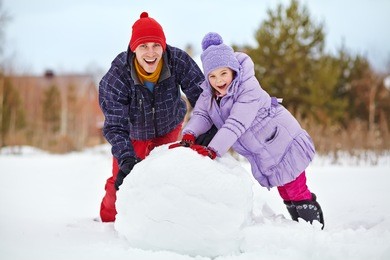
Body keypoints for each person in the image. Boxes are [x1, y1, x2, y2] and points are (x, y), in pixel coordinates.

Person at [169, 32, 325, 229]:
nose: (219, 80)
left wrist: (212, 149)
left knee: (295, 189)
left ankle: (314, 230)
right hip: (266, 149)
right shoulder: (210, 94)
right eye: (212, 76)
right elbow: (202, 115)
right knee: (285, 191)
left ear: (233, 71)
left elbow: (235, 123)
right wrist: (190, 133)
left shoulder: (248, 88)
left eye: (223, 73)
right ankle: (302, 228)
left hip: (283, 142)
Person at [98, 12, 215, 222]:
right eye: (143, 46)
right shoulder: (118, 75)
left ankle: (158, 222)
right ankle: (108, 221)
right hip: (133, 133)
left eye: (156, 45)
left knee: (164, 176)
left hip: (169, 126)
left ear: (163, 46)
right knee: (121, 180)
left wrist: (207, 127)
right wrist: (125, 156)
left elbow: (202, 96)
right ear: (133, 49)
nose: (151, 53)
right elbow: (115, 125)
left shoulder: (177, 60)